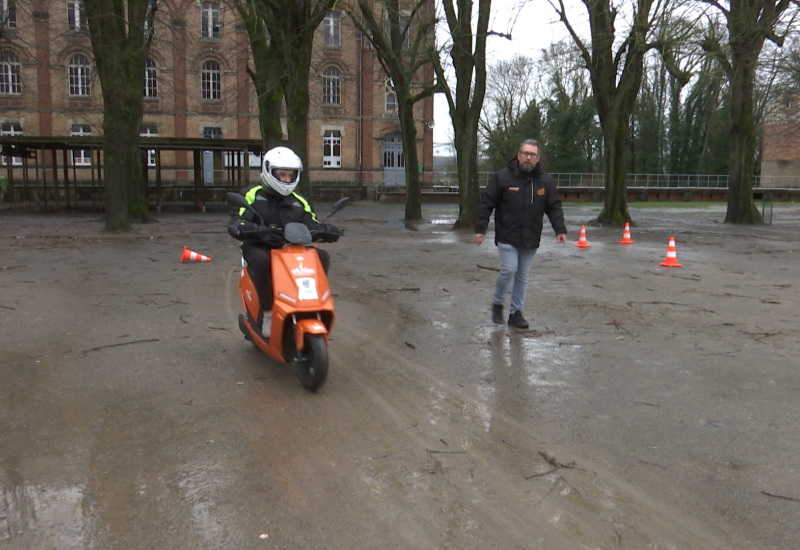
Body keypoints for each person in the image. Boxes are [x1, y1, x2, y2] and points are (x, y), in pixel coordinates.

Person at [227, 146, 340, 335]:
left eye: (290, 175)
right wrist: (245, 227)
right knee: (263, 262)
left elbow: (310, 222)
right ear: (269, 172)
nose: (287, 179)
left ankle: (309, 303)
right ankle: (268, 312)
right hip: (259, 247)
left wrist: (325, 230)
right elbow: (239, 219)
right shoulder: (252, 195)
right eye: (282, 175)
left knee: (321, 256)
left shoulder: (298, 201)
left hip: (291, 248)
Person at [474, 139, 568, 329]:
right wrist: (480, 229)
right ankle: (498, 303)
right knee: (509, 269)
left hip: (531, 237)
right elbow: (487, 203)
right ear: (518, 155)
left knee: (522, 275)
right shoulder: (502, 177)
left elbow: (554, 207)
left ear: (538, 158)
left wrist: (560, 230)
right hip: (507, 234)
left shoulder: (545, 181)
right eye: (525, 153)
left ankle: (515, 313)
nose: (528, 157)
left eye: (532, 155)